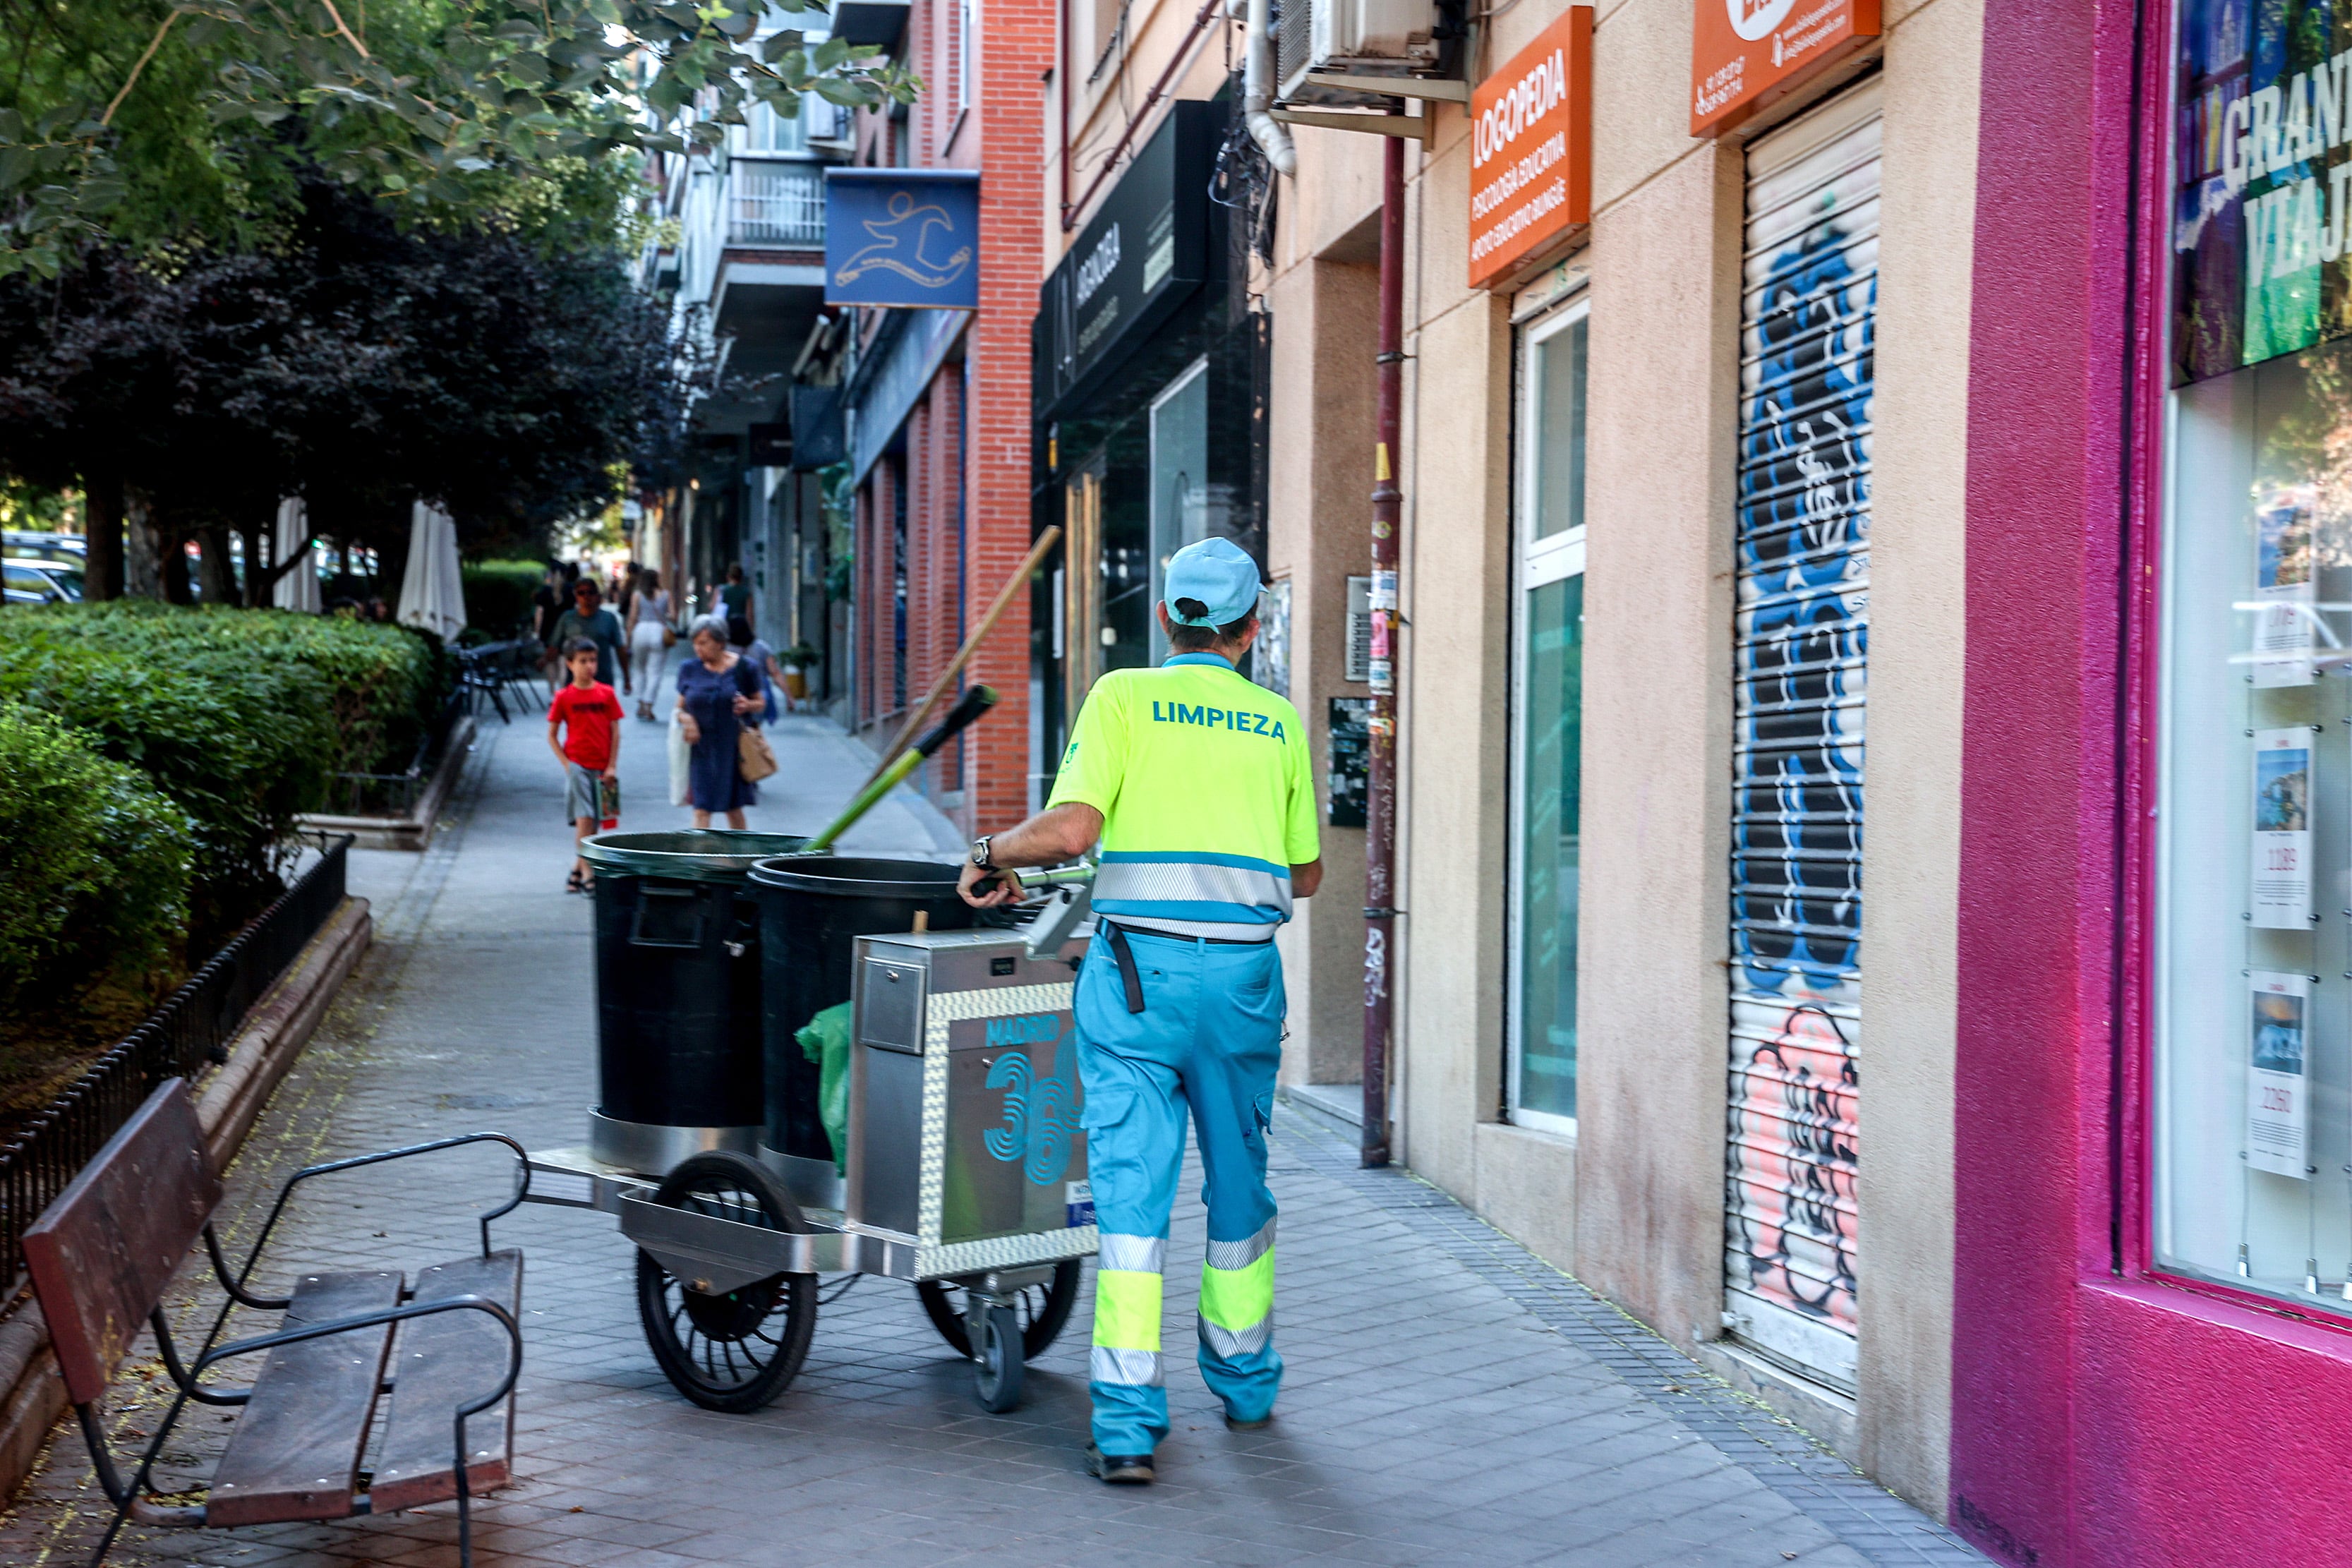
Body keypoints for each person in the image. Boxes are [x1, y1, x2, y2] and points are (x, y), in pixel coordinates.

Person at [957, 536, 1320, 1487]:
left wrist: (992, 849)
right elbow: (1307, 870)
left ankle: (1125, 1424)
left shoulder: (1123, 698)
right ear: (1250, 628)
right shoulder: (1278, 722)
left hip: (1134, 983)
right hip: (1242, 984)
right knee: (1239, 1190)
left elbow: (1074, 829)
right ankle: (1245, 1382)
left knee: (1132, 1196)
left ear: (1166, 618)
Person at [548, 637, 624, 893]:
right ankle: (589, 871)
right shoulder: (564, 697)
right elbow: (552, 734)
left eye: (593, 660)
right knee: (585, 818)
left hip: (602, 767)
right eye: (582, 661)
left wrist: (612, 766)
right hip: (578, 764)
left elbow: (615, 731)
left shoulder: (606, 693)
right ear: (569, 664)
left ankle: (576, 868)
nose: (589, 666)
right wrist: (567, 764)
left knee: (601, 820)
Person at [675, 615, 764, 828]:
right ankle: (700, 860)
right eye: (695, 643)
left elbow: (761, 703)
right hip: (701, 748)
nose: (698, 648)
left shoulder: (745, 668)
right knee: (701, 809)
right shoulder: (689, 669)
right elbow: (679, 708)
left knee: (734, 809)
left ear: (721, 642)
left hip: (733, 748)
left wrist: (748, 705)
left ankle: (740, 859)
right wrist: (687, 719)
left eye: (703, 643)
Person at [551, 578, 627, 693]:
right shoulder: (567, 618)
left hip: (603, 680)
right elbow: (554, 646)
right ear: (576, 596)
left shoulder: (608, 618)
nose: (586, 596)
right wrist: (543, 660)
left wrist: (627, 677)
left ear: (598, 596)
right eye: (581, 593)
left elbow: (620, 648)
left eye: (591, 592)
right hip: (574, 682)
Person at [628, 569, 673, 722]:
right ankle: (649, 704)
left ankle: (640, 702)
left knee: (639, 669)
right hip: (659, 632)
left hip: (640, 630)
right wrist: (664, 615)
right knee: (655, 671)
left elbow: (633, 617)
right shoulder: (666, 595)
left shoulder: (637, 595)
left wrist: (628, 636)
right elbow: (673, 616)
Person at [719, 562, 754, 648]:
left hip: (725, 625)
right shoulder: (746, 592)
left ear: (728, 576)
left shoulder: (722, 590)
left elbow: (713, 607)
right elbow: (749, 613)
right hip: (740, 627)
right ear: (741, 577)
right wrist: (751, 630)